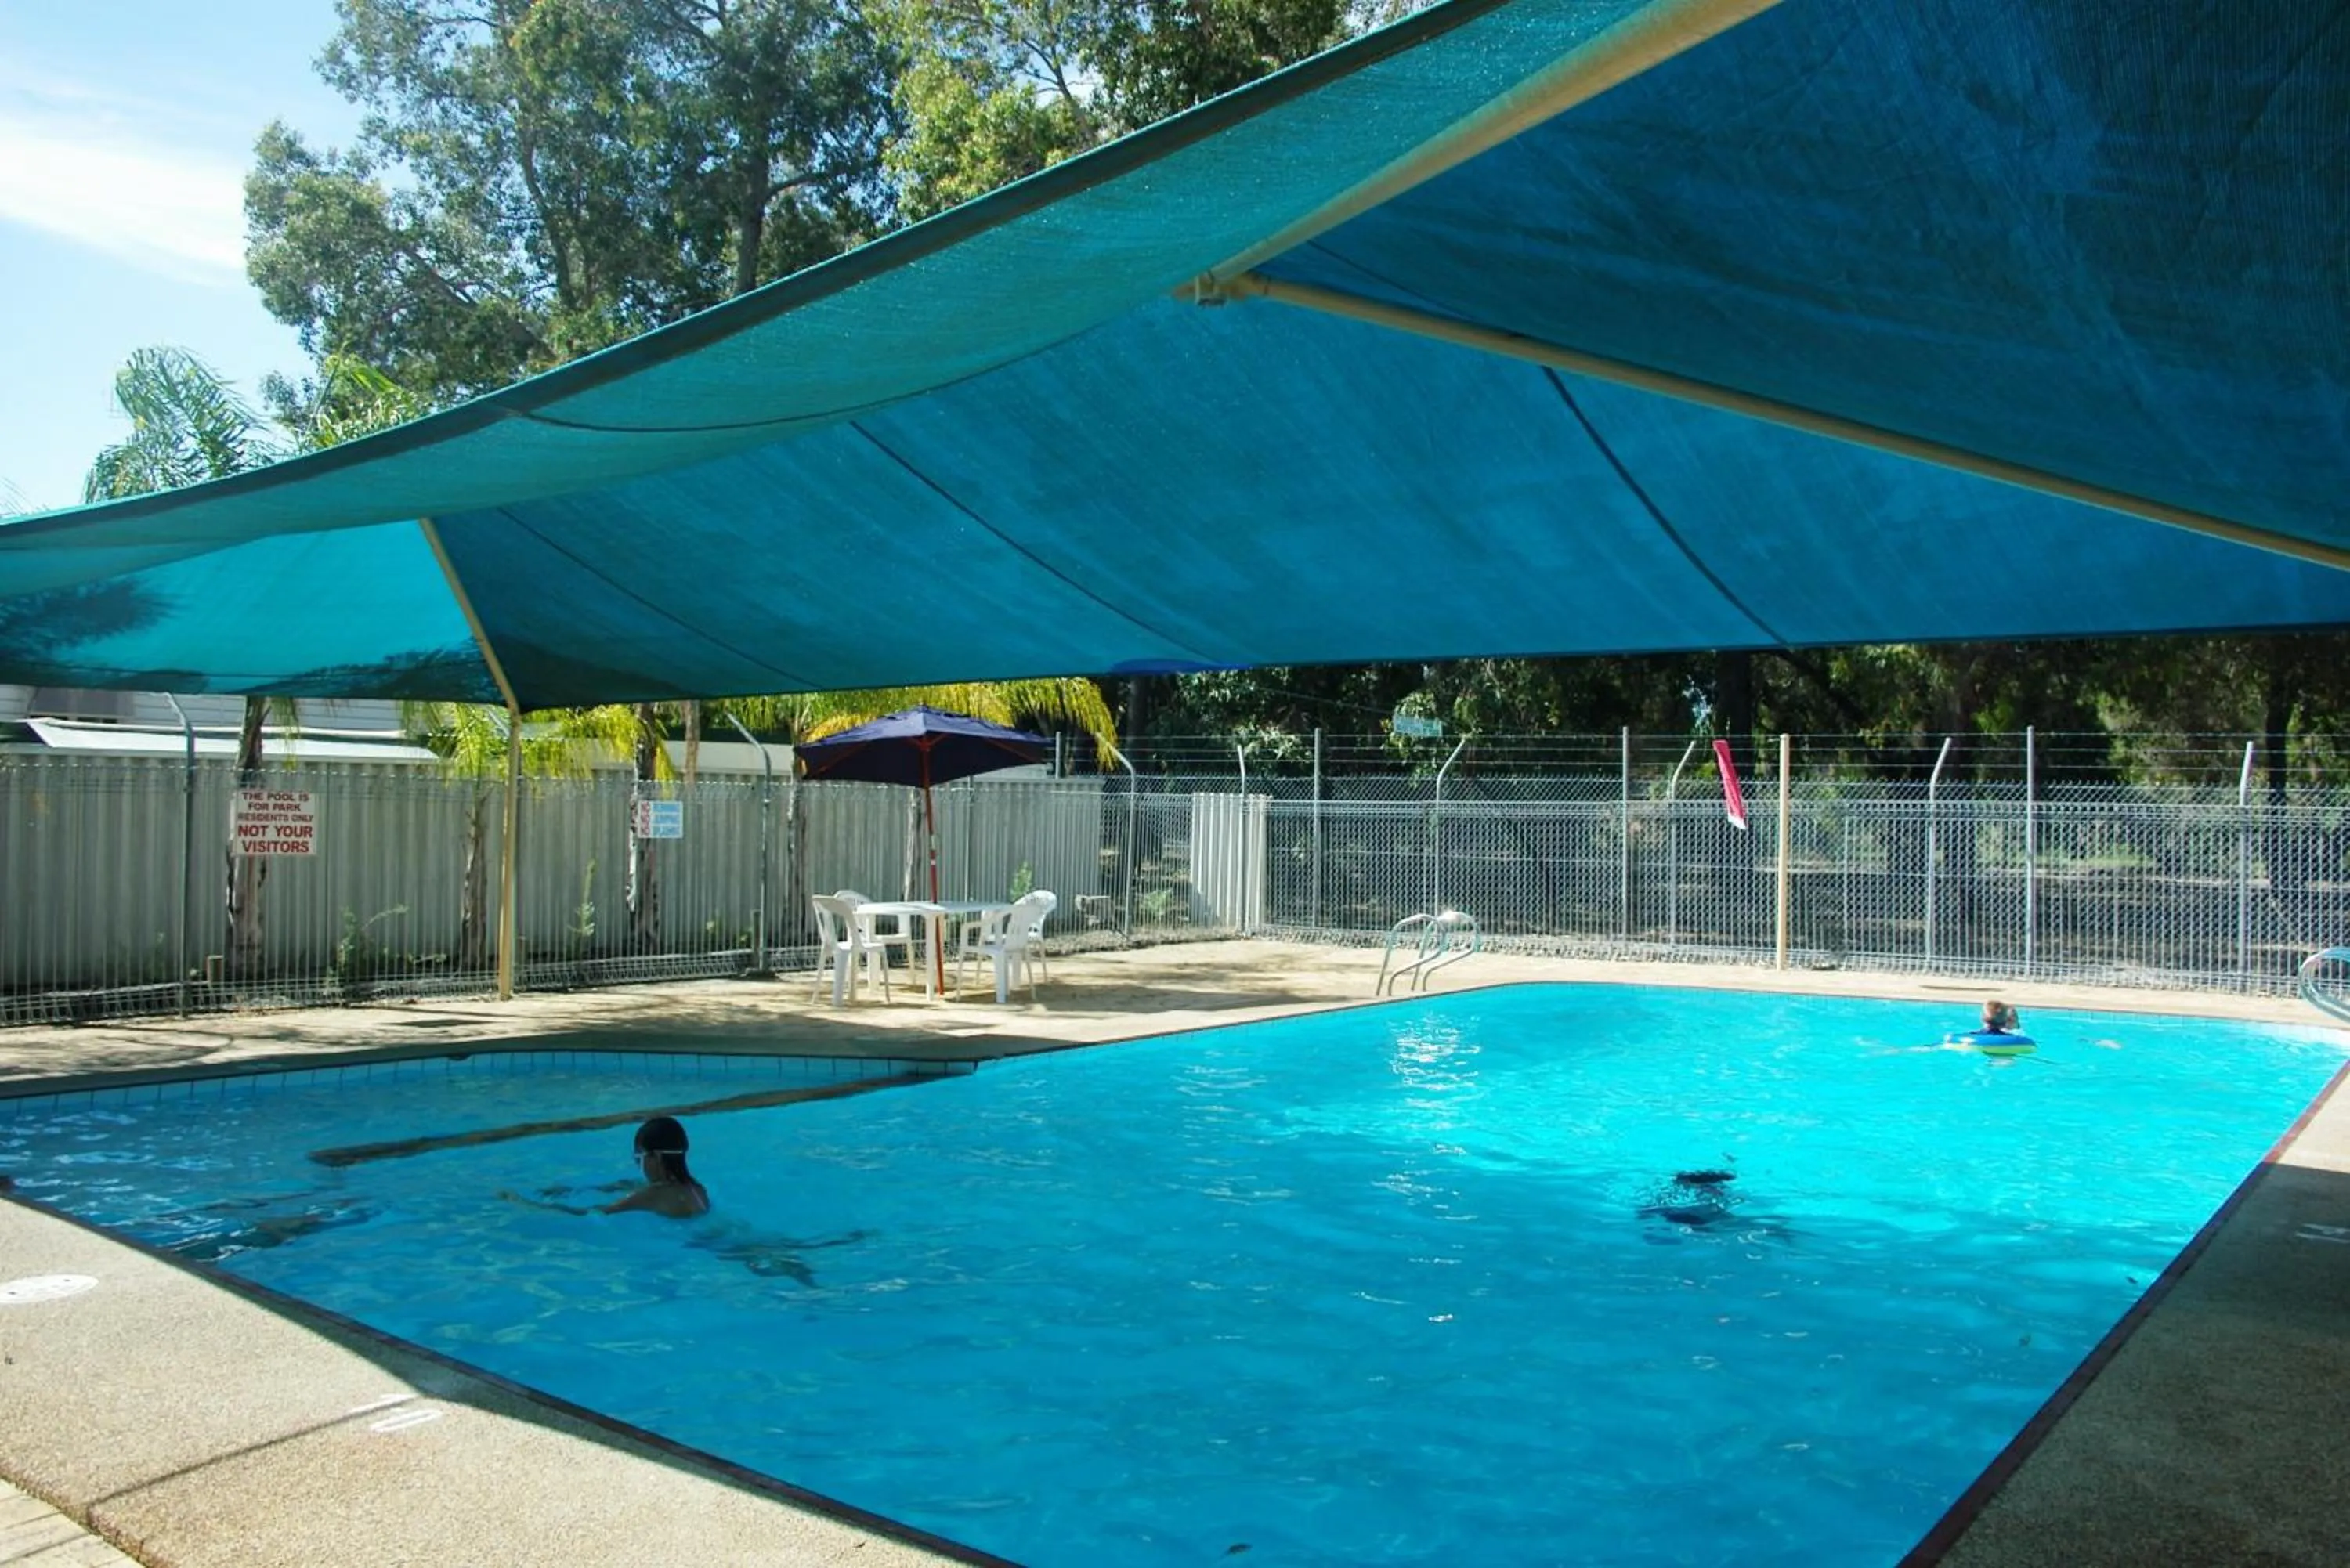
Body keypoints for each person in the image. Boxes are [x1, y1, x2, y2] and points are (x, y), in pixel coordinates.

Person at [501, 1116, 710, 1218]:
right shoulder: (696, 1188)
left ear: (654, 1157)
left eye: (639, 1156)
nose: (637, 1162)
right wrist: (575, 1190)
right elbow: (631, 1185)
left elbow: (592, 1213)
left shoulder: (651, 1196)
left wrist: (523, 1203)